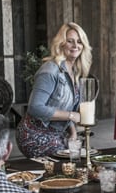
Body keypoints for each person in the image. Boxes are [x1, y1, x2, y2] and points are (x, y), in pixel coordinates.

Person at [17, 22, 93, 158]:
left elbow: (66, 106)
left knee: (83, 155)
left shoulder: (74, 71)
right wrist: (71, 115)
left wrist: (73, 133)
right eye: (70, 41)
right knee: (70, 162)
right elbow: (34, 107)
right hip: (34, 135)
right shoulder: (50, 70)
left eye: (79, 42)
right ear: (61, 44)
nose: (76, 46)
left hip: (57, 134)